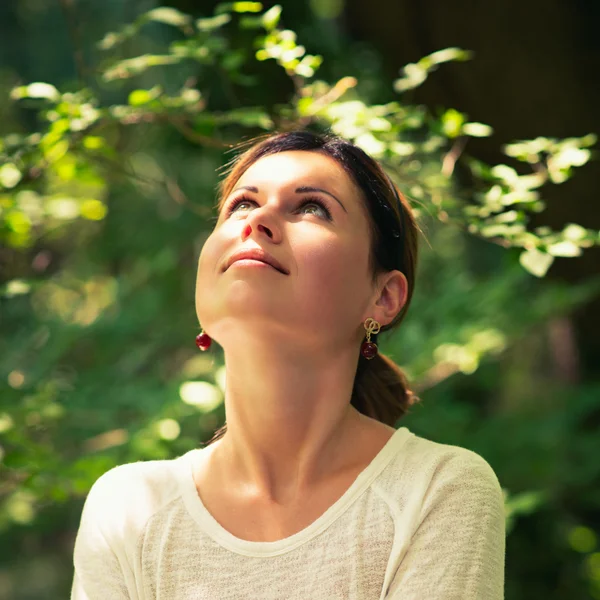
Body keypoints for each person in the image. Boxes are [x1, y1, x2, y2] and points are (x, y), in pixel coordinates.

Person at [71, 131, 506, 599]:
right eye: (241, 204)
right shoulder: (129, 507)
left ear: (383, 297)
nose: (258, 220)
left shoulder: (435, 491)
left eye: (312, 207)